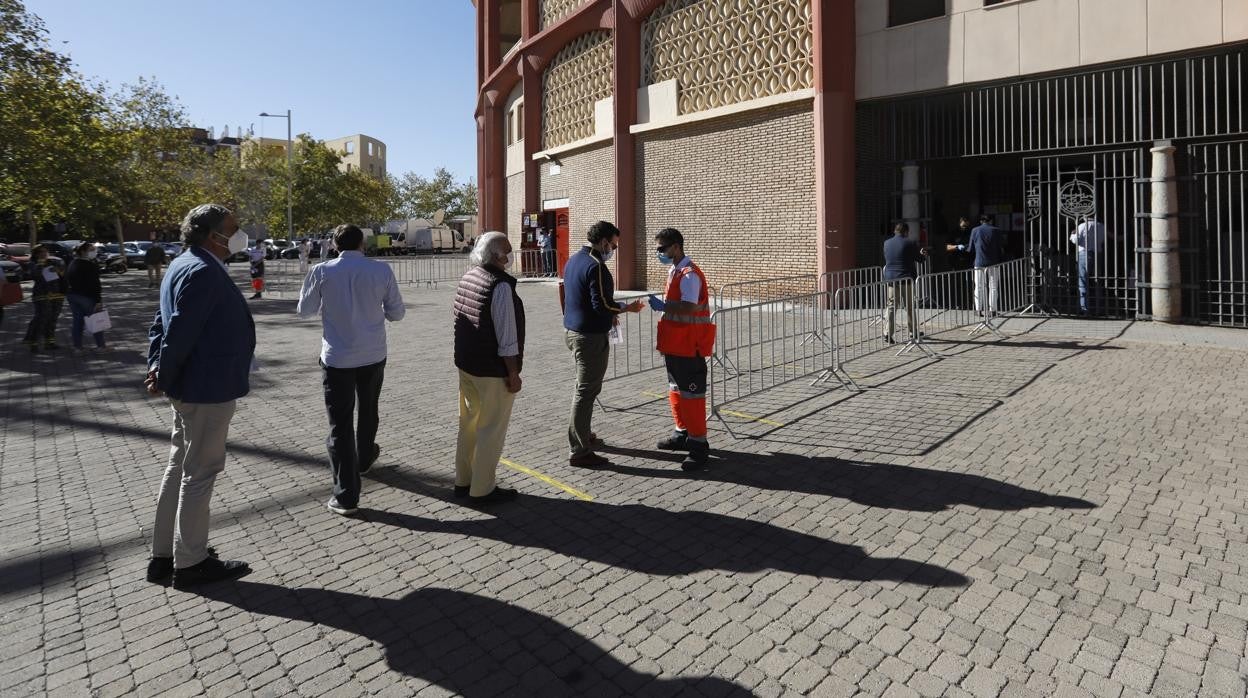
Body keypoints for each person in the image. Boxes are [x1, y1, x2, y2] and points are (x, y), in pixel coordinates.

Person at [145, 203, 255, 589]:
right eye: (233, 228)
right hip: (205, 387)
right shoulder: (202, 270)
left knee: (180, 467)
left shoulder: (183, 263)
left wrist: (158, 368)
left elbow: (163, 323)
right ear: (214, 236)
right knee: (199, 474)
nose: (239, 233)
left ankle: (165, 556)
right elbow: (177, 329)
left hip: (191, 385)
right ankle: (190, 563)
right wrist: (163, 372)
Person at [297, 224, 406, 516]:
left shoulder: (322, 272)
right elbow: (397, 312)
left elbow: (305, 310)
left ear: (334, 244)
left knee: (340, 424)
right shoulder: (381, 271)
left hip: (337, 358)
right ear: (363, 243)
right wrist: (374, 312)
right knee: (369, 408)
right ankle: (365, 455)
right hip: (372, 354)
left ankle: (346, 494)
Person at [562, 221, 644, 468]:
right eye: (614, 245)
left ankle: (582, 434)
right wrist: (625, 308)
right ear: (604, 242)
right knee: (585, 392)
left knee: (584, 389)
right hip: (589, 336)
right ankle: (579, 449)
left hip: (574, 330)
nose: (613, 250)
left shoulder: (574, 259)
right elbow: (602, 305)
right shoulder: (595, 266)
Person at [452, 232, 524, 503]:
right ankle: (482, 489)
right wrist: (513, 372)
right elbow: (507, 337)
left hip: (467, 364)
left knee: (468, 424)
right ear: (496, 255)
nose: (510, 254)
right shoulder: (500, 285)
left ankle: (464, 479)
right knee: (491, 430)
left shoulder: (469, 276)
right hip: (491, 370)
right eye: (507, 250)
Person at [647, 227, 716, 472]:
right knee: (676, 390)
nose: (659, 253)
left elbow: (687, 307)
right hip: (675, 345)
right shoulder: (674, 271)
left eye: (662, 249)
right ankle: (682, 433)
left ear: (676, 247)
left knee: (693, 396)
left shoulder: (689, 274)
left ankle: (698, 445)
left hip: (690, 346)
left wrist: (665, 304)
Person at [950, 214, 1007, 316]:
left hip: (979, 262)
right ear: (991, 221)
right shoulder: (997, 230)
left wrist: (962, 247)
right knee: (993, 287)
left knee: (979, 286)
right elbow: (1002, 246)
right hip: (994, 262)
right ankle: (992, 310)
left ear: (981, 221)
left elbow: (971, 248)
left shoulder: (975, 230)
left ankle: (978, 310)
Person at [883, 224, 928, 344]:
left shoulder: (886, 243)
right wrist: (923, 254)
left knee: (892, 306)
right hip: (905, 278)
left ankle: (887, 332)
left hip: (891, 279)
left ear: (895, 231)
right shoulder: (909, 243)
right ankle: (913, 331)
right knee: (909, 306)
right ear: (906, 232)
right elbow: (919, 259)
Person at [65, 242, 108, 352]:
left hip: (73, 295)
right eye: (91, 249)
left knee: (77, 322)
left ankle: (77, 347)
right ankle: (100, 346)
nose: (94, 251)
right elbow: (95, 284)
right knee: (96, 320)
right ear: (83, 251)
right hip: (87, 297)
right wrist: (98, 300)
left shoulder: (72, 263)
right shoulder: (90, 265)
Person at [23, 245, 65, 352]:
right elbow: (35, 275)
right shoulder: (33, 264)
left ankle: (49, 342)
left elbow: (62, 275)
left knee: (52, 319)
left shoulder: (53, 262)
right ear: (36, 254)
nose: (44, 253)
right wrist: (41, 263)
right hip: (41, 295)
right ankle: (33, 342)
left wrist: (58, 270)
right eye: (41, 252)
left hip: (56, 294)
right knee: (41, 318)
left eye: (46, 251)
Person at [1070, 216, 1106, 315]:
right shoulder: (1101, 226)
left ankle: (1084, 308)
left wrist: (1072, 234)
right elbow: (1102, 240)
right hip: (1098, 253)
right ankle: (1099, 309)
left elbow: (1076, 240)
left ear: (1085, 216)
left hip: (1084, 253)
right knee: (1097, 280)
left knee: (1082, 280)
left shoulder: (1082, 226)